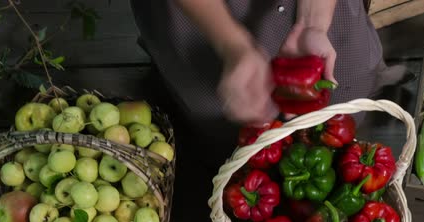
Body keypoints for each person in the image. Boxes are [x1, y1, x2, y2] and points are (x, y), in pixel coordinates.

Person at [130, 0, 409, 170]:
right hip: (205, 13)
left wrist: (313, 23)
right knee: (225, 126)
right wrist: (232, 44)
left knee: (343, 89)